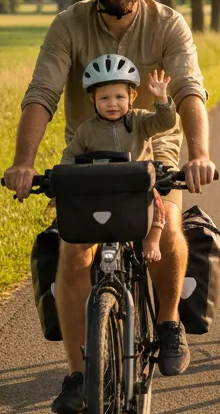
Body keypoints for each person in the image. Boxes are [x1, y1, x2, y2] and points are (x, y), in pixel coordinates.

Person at [2, 0, 216, 414]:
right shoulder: (68, 25)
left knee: (166, 227)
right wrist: (24, 163)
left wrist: (199, 153)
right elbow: (43, 93)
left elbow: (189, 91)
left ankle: (166, 323)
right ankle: (77, 374)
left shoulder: (168, 23)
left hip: (153, 145)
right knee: (75, 249)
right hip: (88, 148)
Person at [61, 56, 176, 262]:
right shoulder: (87, 130)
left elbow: (165, 122)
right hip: (101, 186)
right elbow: (71, 153)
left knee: (157, 200)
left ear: (132, 96)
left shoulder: (140, 120)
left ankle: (151, 240)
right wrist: (65, 175)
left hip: (137, 186)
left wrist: (161, 100)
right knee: (84, 211)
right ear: (92, 100)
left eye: (119, 97)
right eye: (104, 98)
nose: (112, 104)